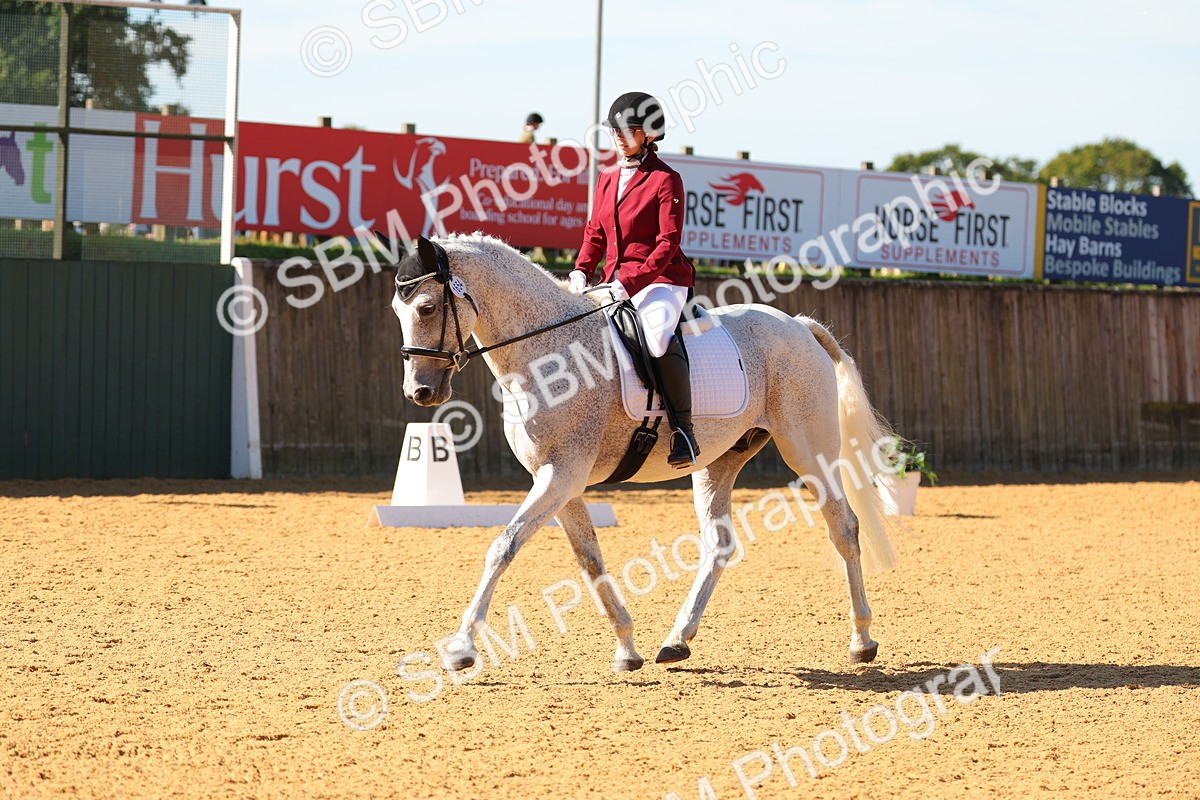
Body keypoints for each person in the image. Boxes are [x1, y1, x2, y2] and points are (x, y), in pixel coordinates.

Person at [568, 91, 699, 468]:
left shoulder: (666, 180)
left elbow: (667, 243)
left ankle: (683, 432)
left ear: (650, 134)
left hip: (662, 279)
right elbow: (594, 232)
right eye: (616, 130)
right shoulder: (607, 179)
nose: (621, 137)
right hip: (612, 280)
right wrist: (581, 270)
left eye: (632, 130)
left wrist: (631, 283)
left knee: (657, 338)